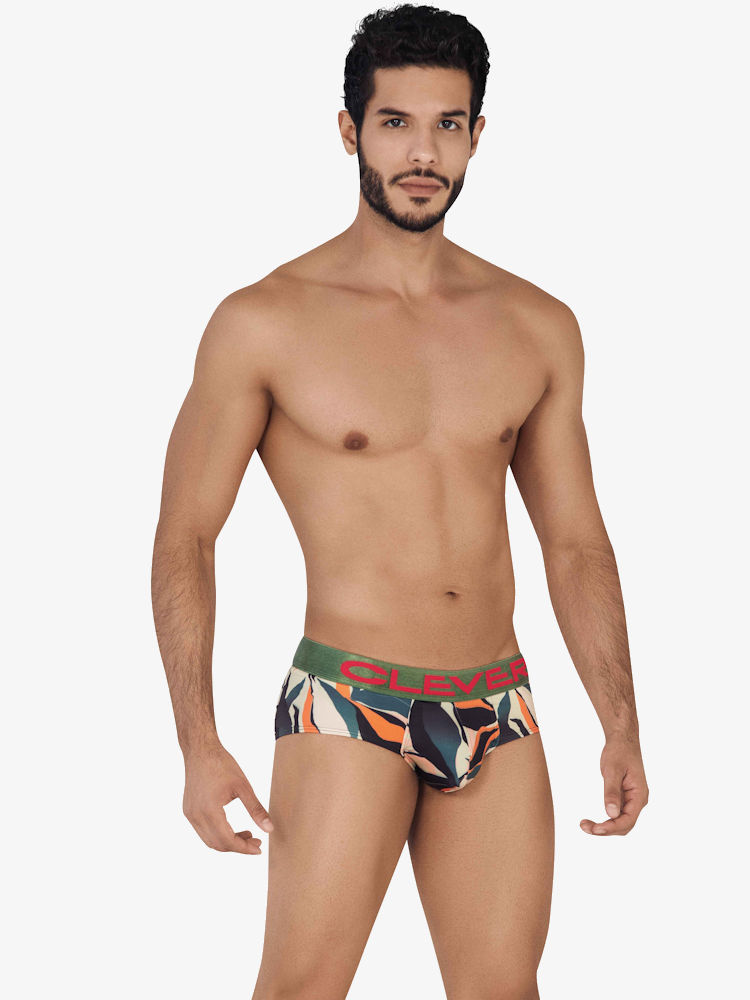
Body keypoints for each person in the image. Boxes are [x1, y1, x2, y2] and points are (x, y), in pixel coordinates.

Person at [151, 5, 649, 998]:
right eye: (395, 123)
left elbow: (575, 543)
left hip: (498, 705)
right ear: (350, 131)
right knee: (301, 988)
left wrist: (621, 717)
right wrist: (197, 742)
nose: (423, 152)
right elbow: (188, 538)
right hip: (349, 700)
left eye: (447, 124)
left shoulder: (536, 325)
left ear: (477, 134)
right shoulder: (265, 322)